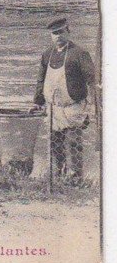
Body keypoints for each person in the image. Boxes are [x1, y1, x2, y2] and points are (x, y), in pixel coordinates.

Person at [31, 18, 98, 185]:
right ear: (51, 36)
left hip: (73, 106)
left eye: (61, 32)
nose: (58, 36)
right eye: (55, 33)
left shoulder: (79, 53)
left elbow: (92, 80)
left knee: (74, 142)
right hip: (54, 108)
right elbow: (41, 79)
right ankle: (58, 174)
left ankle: (76, 177)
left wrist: (95, 103)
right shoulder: (47, 54)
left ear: (68, 31)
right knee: (55, 143)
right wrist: (37, 101)